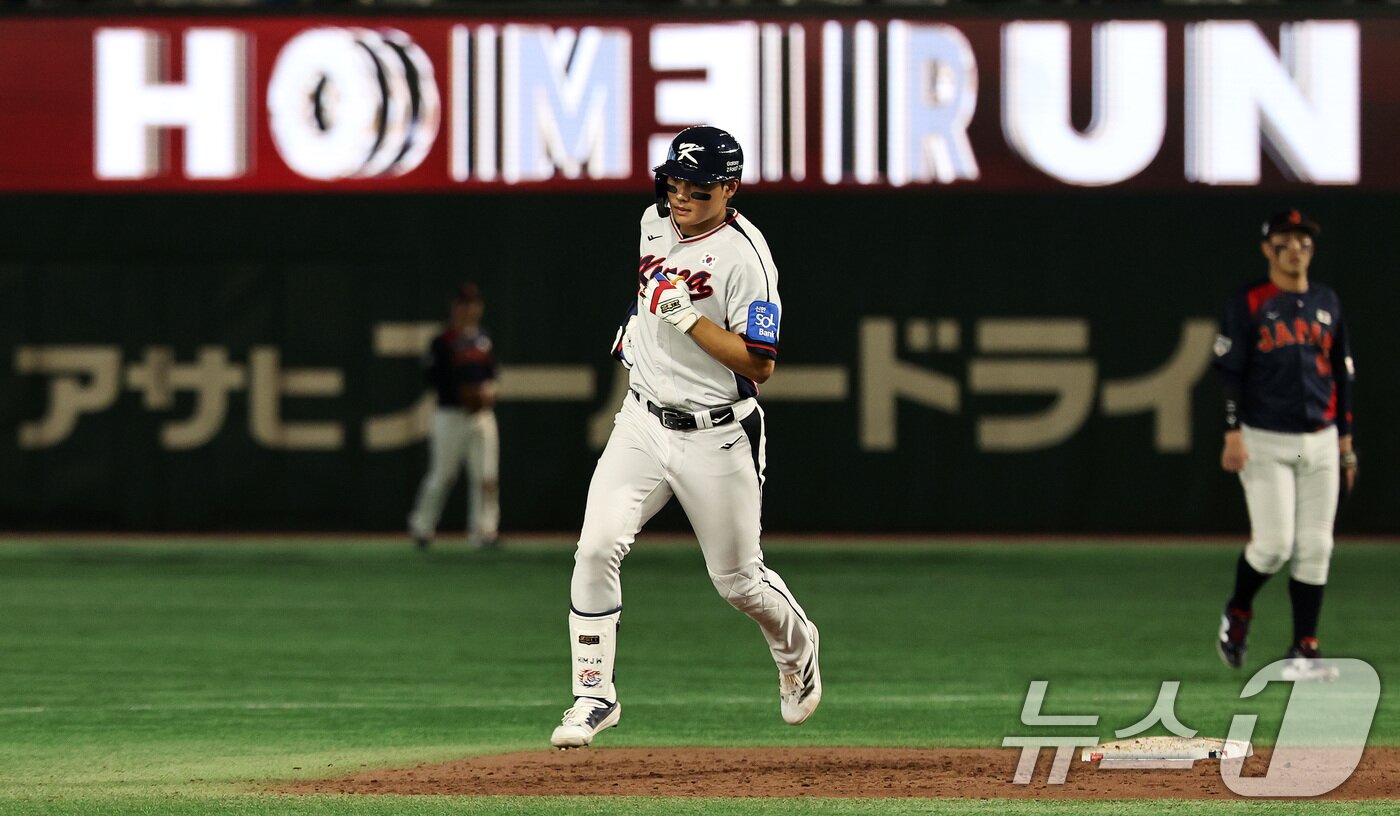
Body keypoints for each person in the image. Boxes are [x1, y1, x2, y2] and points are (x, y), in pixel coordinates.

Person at [549, 126, 821, 748]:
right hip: (642, 420)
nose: (680, 196)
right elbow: (651, 295)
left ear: (729, 188)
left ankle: (797, 644)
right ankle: (593, 694)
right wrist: (639, 329)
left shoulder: (747, 258)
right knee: (594, 549)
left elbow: (760, 363)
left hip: (716, 434)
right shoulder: (651, 220)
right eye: (674, 182)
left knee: (738, 583)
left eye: (696, 187)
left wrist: (686, 319)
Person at [1213, 209, 1357, 681]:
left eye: (1303, 240)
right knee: (1274, 546)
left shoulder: (1327, 301)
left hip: (1320, 440)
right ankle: (1238, 610)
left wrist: (1347, 441)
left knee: (1317, 545)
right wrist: (1232, 430)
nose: (1296, 248)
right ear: (1268, 248)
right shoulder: (1249, 302)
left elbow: (1342, 374)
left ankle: (1304, 650)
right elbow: (1229, 371)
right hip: (1267, 439)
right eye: (1286, 240)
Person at [407, 282, 500, 550]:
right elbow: (432, 378)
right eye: (464, 303)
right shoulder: (443, 341)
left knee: (486, 476)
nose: (470, 308)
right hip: (450, 414)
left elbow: (493, 375)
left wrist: (487, 392)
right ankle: (422, 527)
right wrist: (464, 392)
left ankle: (484, 531)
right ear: (455, 307)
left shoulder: (483, 338)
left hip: (482, 415)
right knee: (443, 474)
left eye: (474, 303)